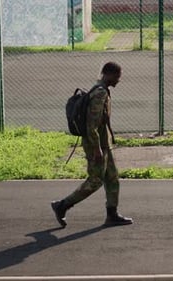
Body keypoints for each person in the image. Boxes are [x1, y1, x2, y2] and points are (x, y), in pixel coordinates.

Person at [51, 62, 133, 228]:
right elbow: (91, 125)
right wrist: (96, 149)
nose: (119, 80)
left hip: (104, 144)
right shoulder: (99, 93)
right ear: (108, 74)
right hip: (96, 145)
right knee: (95, 180)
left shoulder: (101, 90)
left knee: (112, 178)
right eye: (117, 76)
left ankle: (112, 214)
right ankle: (62, 205)